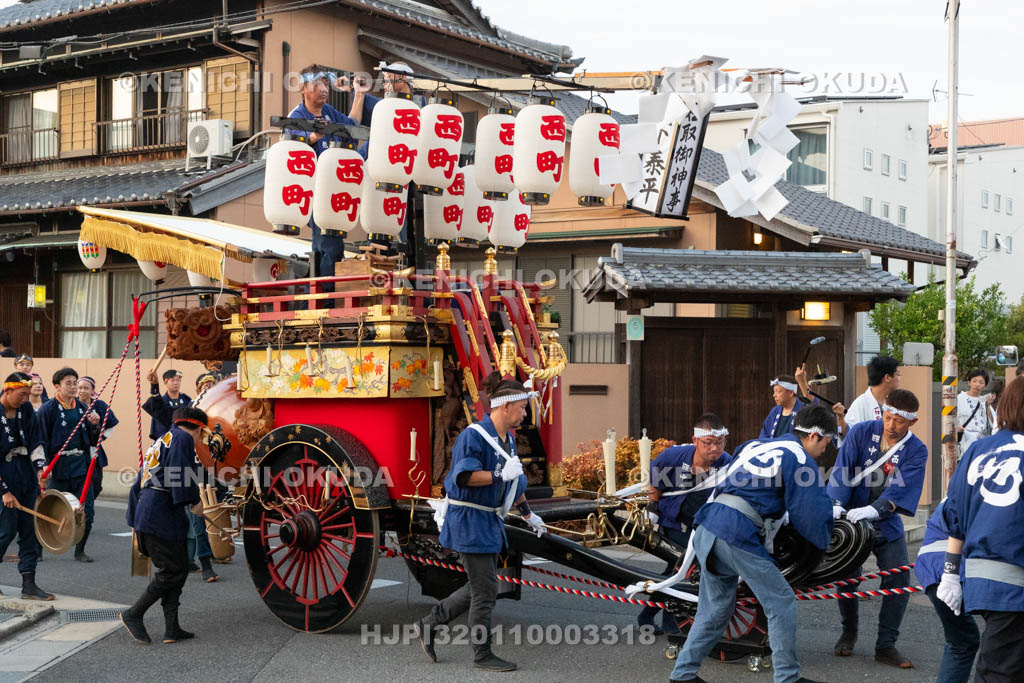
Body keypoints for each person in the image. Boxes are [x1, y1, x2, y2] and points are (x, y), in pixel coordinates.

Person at [668, 404, 835, 683]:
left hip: (709, 525)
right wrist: (826, 537)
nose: (825, 450)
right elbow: (811, 512)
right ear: (815, 435)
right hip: (736, 530)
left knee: (716, 608)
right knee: (780, 600)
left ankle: (683, 675)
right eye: (827, 443)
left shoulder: (752, 445)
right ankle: (788, 677)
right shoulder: (800, 458)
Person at [413, 372, 545, 672]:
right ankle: (481, 654)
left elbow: (515, 483)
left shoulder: (507, 439)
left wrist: (528, 514)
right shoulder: (474, 436)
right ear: (504, 406)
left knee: (479, 587)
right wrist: (500, 474)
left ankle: (429, 624)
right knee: (485, 590)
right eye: (522, 407)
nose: (524, 413)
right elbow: (464, 477)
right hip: (469, 519)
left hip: (487, 520)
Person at [827, 389, 927, 668]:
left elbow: (902, 489)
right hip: (851, 522)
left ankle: (886, 645)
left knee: (898, 582)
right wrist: (835, 503)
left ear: (913, 422)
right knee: (847, 578)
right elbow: (842, 470)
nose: (891, 425)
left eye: (899, 421)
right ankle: (848, 632)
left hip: (885, 522)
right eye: (888, 417)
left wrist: (876, 510)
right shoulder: (861, 432)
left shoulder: (916, 450)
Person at [937, 376, 1024, 682]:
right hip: (1015, 581)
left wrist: (950, 572)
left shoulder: (981, 449)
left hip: (978, 577)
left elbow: (955, 513)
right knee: (1001, 670)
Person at [640, 413, 733, 635]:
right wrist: (652, 508)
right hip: (674, 525)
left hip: (703, 527)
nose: (714, 448)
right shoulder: (674, 456)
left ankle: (648, 614)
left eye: (719, 443)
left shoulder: (727, 463)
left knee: (674, 572)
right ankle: (673, 626)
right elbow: (654, 480)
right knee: (681, 572)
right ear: (695, 441)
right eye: (708, 443)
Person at [121, 406, 208, 644]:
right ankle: (133, 614)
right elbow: (181, 472)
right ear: (198, 429)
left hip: (151, 509)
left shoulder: (162, 440)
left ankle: (172, 628)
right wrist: (193, 501)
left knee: (177, 569)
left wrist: (133, 518)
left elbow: (138, 482)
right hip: (161, 513)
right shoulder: (182, 439)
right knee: (172, 571)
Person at [287, 64, 362, 279]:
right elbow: (291, 145)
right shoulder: (297, 115)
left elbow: (352, 126)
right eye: (317, 83)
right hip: (314, 194)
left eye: (326, 83)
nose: (324, 89)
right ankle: (326, 295)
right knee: (329, 245)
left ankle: (318, 291)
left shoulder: (329, 113)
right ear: (302, 88)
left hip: (335, 190)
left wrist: (360, 94)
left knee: (325, 246)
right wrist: (311, 138)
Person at [37, 367, 99, 563]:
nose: (73, 387)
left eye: (75, 383)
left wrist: (94, 425)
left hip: (80, 465)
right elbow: (41, 439)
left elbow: (91, 439)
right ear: (57, 386)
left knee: (86, 510)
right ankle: (37, 549)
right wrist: (43, 468)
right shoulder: (48, 409)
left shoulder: (82, 408)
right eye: (69, 383)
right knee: (47, 508)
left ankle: (80, 550)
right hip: (58, 467)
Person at [0, 372, 53, 600]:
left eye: (27, 395)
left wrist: (41, 468)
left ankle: (29, 585)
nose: (24, 399)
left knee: (30, 531)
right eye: (22, 395)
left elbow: (35, 439)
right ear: (8, 390)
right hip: (4, 473)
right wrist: (4, 491)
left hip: (25, 472)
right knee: (6, 531)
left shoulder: (27, 410)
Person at [916, 501, 980, 683]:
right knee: (1005, 642)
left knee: (961, 642)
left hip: (931, 568)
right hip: (960, 568)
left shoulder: (967, 482)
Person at [78, 376, 117, 501]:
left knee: (96, 485)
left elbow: (111, 425)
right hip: (77, 451)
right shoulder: (72, 404)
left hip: (94, 449)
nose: (82, 391)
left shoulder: (99, 405)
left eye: (86, 388)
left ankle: (88, 504)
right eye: (79, 388)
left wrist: (101, 437)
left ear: (92, 390)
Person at [843, 355, 900, 432]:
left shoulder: (892, 403)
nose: (899, 379)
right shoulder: (861, 404)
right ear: (887, 377)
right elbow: (849, 435)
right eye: (898, 374)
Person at [758, 372, 811, 439]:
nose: (774, 395)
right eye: (774, 391)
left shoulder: (804, 410)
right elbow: (764, 434)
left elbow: (814, 404)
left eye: (778, 391)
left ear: (791, 393)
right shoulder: (775, 411)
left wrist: (802, 381)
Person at [143, 369, 191, 442]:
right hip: (166, 440)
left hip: (184, 439)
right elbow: (160, 411)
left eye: (178, 380)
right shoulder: (159, 402)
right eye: (172, 380)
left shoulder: (186, 400)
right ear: (165, 382)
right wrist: (154, 385)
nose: (176, 383)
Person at [957, 369, 991, 456]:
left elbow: (993, 425)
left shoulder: (985, 401)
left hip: (983, 445)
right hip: (965, 443)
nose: (977, 385)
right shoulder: (959, 399)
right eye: (974, 381)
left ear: (985, 385)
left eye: (981, 382)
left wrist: (988, 406)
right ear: (969, 383)